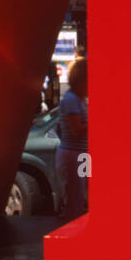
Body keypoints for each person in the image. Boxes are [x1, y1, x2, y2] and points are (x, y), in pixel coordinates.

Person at [55, 57, 88, 220]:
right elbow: (76, 130)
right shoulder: (71, 99)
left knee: (82, 198)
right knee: (74, 200)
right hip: (72, 156)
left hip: (82, 155)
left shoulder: (81, 99)